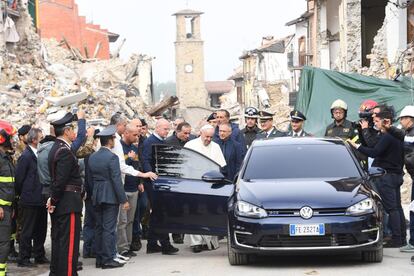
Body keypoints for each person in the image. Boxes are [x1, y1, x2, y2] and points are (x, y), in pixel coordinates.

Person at [349, 105, 406, 248]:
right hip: (395, 175)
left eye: (377, 120)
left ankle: (397, 239)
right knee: (397, 208)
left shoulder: (388, 136)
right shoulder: (395, 135)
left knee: (391, 209)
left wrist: (356, 146)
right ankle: (401, 238)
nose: (375, 122)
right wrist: (364, 132)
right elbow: (373, 144)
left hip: (387, 177)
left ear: (386, 121)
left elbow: (374, 152)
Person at [47, 112, 83, 276]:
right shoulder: (64, 151)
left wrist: (52, 199)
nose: (74, 132)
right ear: (67, 131)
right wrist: (53, 199)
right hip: (68, 203)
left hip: (63, 202)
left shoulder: (58, 148)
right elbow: (60, 181)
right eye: (73, 129)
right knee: (69, 245)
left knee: (60, 242)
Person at [89, 125, 129, 269]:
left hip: (97, 194)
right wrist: (123, 199)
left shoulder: (93, 157)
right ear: (110, 141)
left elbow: (90, 178)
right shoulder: (112, 157)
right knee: (109, 229)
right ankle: (107, 258)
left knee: (99, 227)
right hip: (110, 195)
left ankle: (100, 258)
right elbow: (116, 180)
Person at [184, 124, 226, 253]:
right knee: (194, 213)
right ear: (200, 134)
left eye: (211, 137)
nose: (208, 139)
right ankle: (196, 243)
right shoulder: (190, 145)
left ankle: (208, 242)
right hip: (194, 183)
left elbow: (220, 166)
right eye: (206, 136)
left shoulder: (216, 147)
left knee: (209, 213)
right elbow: (184, 167)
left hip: (210, 184)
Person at [142, 118, 178, 255]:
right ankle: (165, 244)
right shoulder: (149, 142)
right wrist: (151, 176)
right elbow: (145, 160)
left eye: (168, 129)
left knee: (157, 213)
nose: (167, 131)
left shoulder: (161, 141)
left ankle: (152, 244)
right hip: (154, 182)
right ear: (157, 128)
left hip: (160, 181)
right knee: (162, 212)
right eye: (165, 129)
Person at [15, 128, 49, 267]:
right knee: (27, 230)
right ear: (34, 140)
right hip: (29, 199)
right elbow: (19, 179)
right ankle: (24, 258)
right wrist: (23, 193)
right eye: (41, 138)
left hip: (41, 198)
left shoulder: (39, 154)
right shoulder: (26, 156)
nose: (42, 141)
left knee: (41, 229)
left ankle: (39, 255)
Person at [386, 106, 414, 253]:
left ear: (410, 119)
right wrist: (389, 128)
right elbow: (401, 134)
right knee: (412, 208)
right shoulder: (408, 132)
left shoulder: (412, 133)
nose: (401, 121)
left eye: (403, 118)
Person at [117, 123, 142, 257]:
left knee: (131, 221)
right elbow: (121, 168)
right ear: (126, 133)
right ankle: (122, 249)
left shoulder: (134, 147)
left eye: (138, 135)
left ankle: (128, 245)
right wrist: (130, 159)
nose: (137, 137)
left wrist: (140, 181)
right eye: (134, 134)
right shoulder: (119, 148)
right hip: (123, 189)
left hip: (134, 188)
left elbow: (137, 166)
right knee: (122, 221)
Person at [0, 120, 17, 276]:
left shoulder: (6, 158)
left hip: (6, 208)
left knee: (4, 244)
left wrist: (10, 207)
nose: (13, 141)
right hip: (1, 209)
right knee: (3, 244)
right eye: (10, 137)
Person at [82, 129, 100, 259]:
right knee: (93, 222)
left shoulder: (89, 155)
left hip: (88, 193)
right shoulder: (91, 155)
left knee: (89, 222)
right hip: (92, 193)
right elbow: (90, 177)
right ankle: (91, 249)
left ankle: (88, 249)